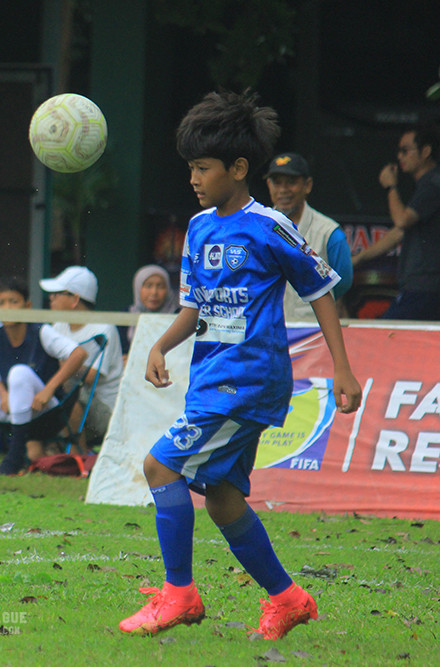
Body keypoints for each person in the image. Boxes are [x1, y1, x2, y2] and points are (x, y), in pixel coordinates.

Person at [118, 91, 361, 640]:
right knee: (224, 500)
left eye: (202, 167)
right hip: (211, 377)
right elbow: (194, 306)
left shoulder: (270, 225)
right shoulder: (200, 228)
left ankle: (178, 595)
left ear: (239, 167)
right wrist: (161, 345)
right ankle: (289, 599)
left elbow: (321, 288)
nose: (194, 178)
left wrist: (342, 369)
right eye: (190, 168)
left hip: (249, 379)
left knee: (161, 468)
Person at [0, 276, 88, 475]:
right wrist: (2, 395)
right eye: (1, 303)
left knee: (19, 372)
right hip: (15, 411)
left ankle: (15, 457)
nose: (8, 308)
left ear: (27, 306)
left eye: (14, 301)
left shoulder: (41, 331)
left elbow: (79, 354)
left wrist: (48, 389)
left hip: (46, 411)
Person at [351, 124, 440, 320]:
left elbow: (401, 221)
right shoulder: (426, 186)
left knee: (385, 333)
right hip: (421, 286)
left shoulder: (433, 183)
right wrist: (359, 259)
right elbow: (397, 234)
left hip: (425, 286)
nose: (400, 157)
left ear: (425, 151)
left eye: (405, 151)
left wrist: (391, 187)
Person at [39, 266, 122, 454]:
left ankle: (79, 453)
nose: (51, 299)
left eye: (57, 294)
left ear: (75, 299)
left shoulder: (105, 329)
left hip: (106, 413)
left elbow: (90, 377)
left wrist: (66, 365)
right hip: (77, 404)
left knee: (69, 393)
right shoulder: (59, 326)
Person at [264, 152, 353, 320]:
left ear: (308, 185)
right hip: (270, 333)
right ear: (269, 185)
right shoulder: (258, 228)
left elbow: (342, 283)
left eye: (291, 182)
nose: (283, 190)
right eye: (277, 182)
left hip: (313, 334)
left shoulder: (329, 233)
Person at [121, 265, 179, 356]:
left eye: (160, 286)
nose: (154, 292)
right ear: (138, 288)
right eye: (148, 286)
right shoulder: (126, 317)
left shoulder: (179, 316)